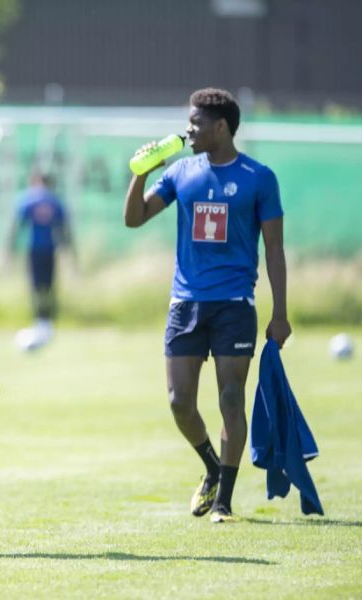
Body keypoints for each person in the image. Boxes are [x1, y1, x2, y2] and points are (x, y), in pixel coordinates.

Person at [124, 88, 291, 523]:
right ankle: (213, 468)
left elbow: (274, 249)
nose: (188, 130)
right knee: (180, 402)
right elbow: (135, 218)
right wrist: (142, 172)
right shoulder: (181, 171)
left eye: (196, 123)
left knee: (232, 400)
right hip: (186, 305)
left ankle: (224, 501)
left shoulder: (259, 177)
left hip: (235, 304)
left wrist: (280, 312)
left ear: (221, 127)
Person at [8, 169, 72, 329]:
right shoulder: (55, 200)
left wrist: (11, 248)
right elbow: (63, 228)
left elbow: (17, 226)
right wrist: (67, 249)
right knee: (49, 284)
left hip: (34, 248)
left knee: (35, 285)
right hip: (50, 248)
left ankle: (38, 317)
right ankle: (49, 317)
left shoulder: (28, 199)